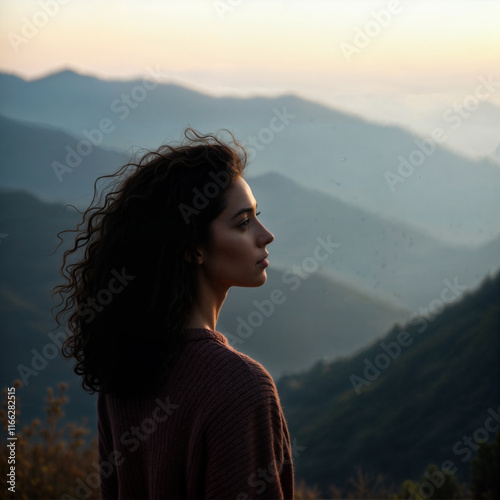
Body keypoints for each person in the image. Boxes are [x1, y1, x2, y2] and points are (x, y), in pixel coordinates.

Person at [53, 129, 294, 499]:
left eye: (257, 216)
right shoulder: (241, 387)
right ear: (193, 247)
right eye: (243, 223)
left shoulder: (124, 368)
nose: (266, 235)